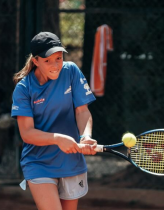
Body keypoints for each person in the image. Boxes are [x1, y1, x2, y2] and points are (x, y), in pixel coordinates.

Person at [11, 32, 97, 210]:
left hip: (71, 162)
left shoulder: (71, 71)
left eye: (58, 58)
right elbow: (27, 133)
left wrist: (86, 136)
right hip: (38, 163)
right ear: (36, 61)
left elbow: (82, 111)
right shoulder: (23, 89)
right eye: (48, 60)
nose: (55, 65)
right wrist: (57, 139)